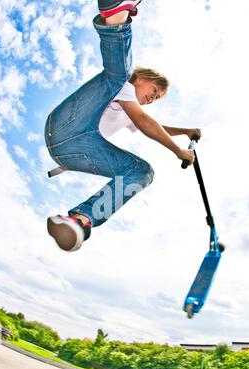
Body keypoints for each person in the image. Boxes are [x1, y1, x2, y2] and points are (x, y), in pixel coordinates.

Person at [45, 0, 201, 252]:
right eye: (154, 90)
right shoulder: (124, 86)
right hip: (67, 126)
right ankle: (115, 16)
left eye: (157, 98)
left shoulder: (130, 108)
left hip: (75, 152)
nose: (153, 98)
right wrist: (178, 151)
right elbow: (145, 122)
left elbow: (151, 124)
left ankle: (79, 221)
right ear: (141, 78)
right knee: (117, 75)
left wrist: (185, 131)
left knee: (142, 172)